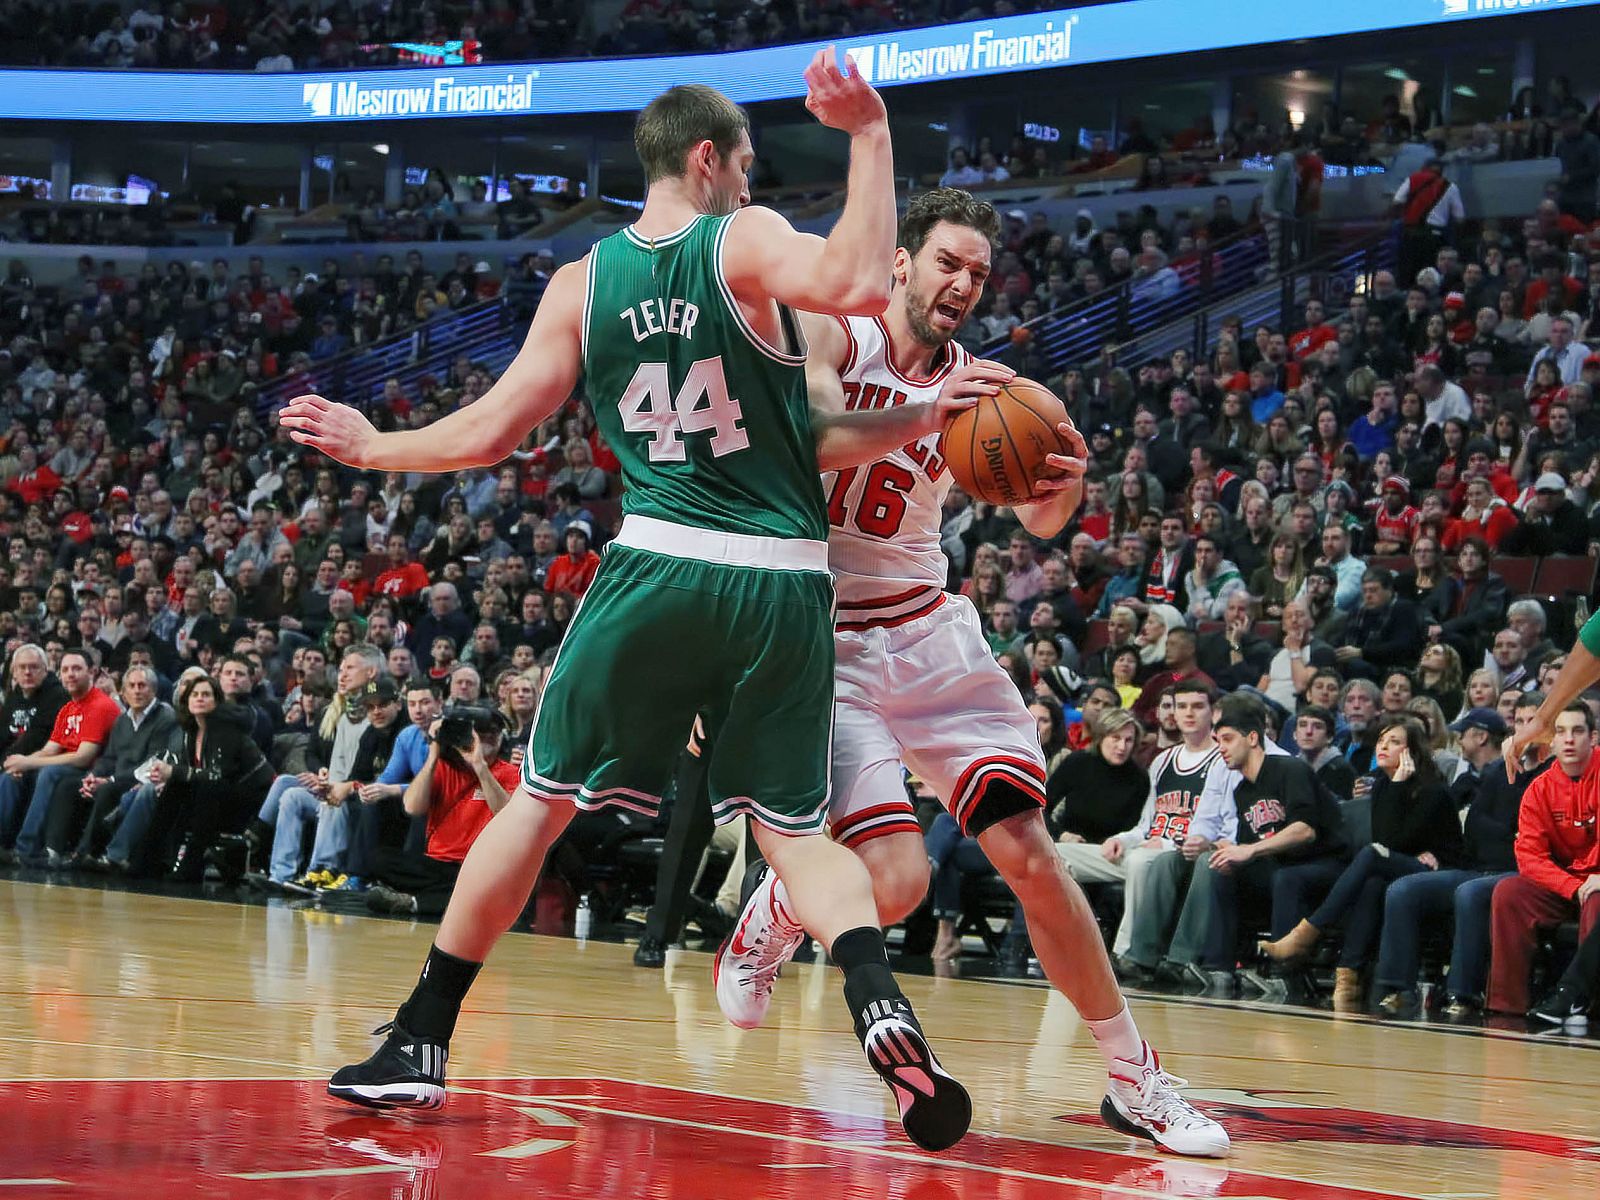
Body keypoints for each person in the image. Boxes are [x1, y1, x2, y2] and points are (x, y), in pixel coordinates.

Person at [284, 63, 978, 1150]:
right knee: (794, 834)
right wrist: (872, 134)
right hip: (787, 580)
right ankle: (877, 1003)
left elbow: (489, 434)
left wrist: (374, 446)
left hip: (656, 565)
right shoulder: (739, 241)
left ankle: (421, 1037)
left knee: (542, 801)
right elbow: (851, 279)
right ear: (709, 161)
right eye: (746, 164)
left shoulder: (581, 282)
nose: (751, 183)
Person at [712, 186, 1228, 1155]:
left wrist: (1064, 484)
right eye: (947, 263)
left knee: (1028, 851)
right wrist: (919, 411)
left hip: (928, 633)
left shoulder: (992, 394)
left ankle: (1133, 1077)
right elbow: (814, 428)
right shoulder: (830, 332)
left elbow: (1036, 519)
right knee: (896, 884)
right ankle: (783, 907)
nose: (962, 285)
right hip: (826, 645)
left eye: (979, 275)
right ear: (901, 263)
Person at [1259, 715, 1460, 1012]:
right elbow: (1386, 841)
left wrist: (1398, 787)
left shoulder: (1433, 790)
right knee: (1371, 882)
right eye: (1381, 740)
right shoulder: (1382, 785)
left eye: (1394, 742)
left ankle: (1308, 931)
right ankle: (1347, 976)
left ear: (1412, 752)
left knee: (1369, 855)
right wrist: (1393, 788)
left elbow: (1392, 841)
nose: (1383, 747)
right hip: (1398, 866)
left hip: (1438, 871)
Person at [1159, 697, 1347, 993]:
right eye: (1218, 741)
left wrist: (1249, 850)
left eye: (1228, 739)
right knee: (1225, 869)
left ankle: (1285, 974)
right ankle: (1218, 967)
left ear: (1253, 738)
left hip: (1329, 865)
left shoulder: (1289, 769)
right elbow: (1253, 846)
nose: (1221, 748)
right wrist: (1229, 852)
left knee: (1286, 878)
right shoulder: (1243, 790)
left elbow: (1305, 830)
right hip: (1285, 865)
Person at [1375, 700, 1538, 1017]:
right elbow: (1475, 827)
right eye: (1520, 721)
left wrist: (1504, 835)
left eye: (1535, 720)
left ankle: (1463, 993)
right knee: (1403, 889)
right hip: (1478, 867)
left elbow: (1528, 837)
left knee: (1470, 893)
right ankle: (1397, 989)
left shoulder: (1550, 775)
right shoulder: (1495, 772)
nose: (1527, 728)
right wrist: (1509, 834)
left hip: (1522, 872)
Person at [1092, 681, 1221, 979]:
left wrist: (1164, 844)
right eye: (1182, 706)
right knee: (1061, 858)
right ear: (1172, 712)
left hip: (1180, 854)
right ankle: (1065, 946)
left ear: (1213, 713)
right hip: (1149, 847)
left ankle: (1125, 953)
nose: (1189, 713)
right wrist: (1120, 839)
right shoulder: (1163, 761)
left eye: (1197, 706)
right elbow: (1145, 826)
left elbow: (1214, 827)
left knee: (1140, 861)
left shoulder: (1222, 760)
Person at [1488, 702, 1599, 1016]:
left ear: (1593, 738)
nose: (1568, 740)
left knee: (1597, 897)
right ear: (1550, 741)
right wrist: (1570, 886)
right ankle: (1506, 1006)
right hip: (1565, 884)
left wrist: (1587, 885)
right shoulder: (1539, 788)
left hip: (1597, 883)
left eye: (1577, 731)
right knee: (1508, 893)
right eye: (1561, 732)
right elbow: (1530, 858)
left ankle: (1585, 1004)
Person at [0, 649, 121, 865]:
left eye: (76, 669)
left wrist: (29, 761)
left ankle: (26, 849)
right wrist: (20, 764)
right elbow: (49, 749)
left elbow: (83, 757)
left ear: (91, 672)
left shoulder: (100, 705)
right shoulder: (68, 708)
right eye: (65, 670)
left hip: (92, 771)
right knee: (11, 776)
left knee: (48, 772)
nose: (70, 674)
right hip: (62, 765)